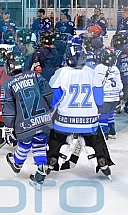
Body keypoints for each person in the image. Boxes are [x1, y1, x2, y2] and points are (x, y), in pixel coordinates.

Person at [47, 43, 112, 181]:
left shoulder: (62, 73)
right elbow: (99, 101)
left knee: (55, 136)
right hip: (89, 122)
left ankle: (53, 158)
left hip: (65, 121)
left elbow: (53, 101)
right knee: (95, 137)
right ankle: (101, 158)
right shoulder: (92, 72)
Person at [1, 50, 54, 190]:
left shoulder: (8, 85)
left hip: (25, 122)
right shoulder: (35, 75)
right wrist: (47, 108)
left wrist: (9, 127)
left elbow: (8, 110)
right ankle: (40, 167)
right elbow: (48, 94)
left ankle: (17, 162)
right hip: (43, 118)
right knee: (39, 142)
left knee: (25, 140)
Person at [95, 48, 122, 139]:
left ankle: (103, 133)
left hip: (105, 97)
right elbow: (119, 84)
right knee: (111, 114)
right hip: (115, 98)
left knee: (103, 115)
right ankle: (112, 131)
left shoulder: (99, 68)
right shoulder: (115, 69)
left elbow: (96, 83)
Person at [112, 31, 128, 116]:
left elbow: (114, 65)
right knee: (127, 90)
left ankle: (118, 106)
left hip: (120, 76)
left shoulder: (117, 53)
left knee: (119, 91)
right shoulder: (127, 50)